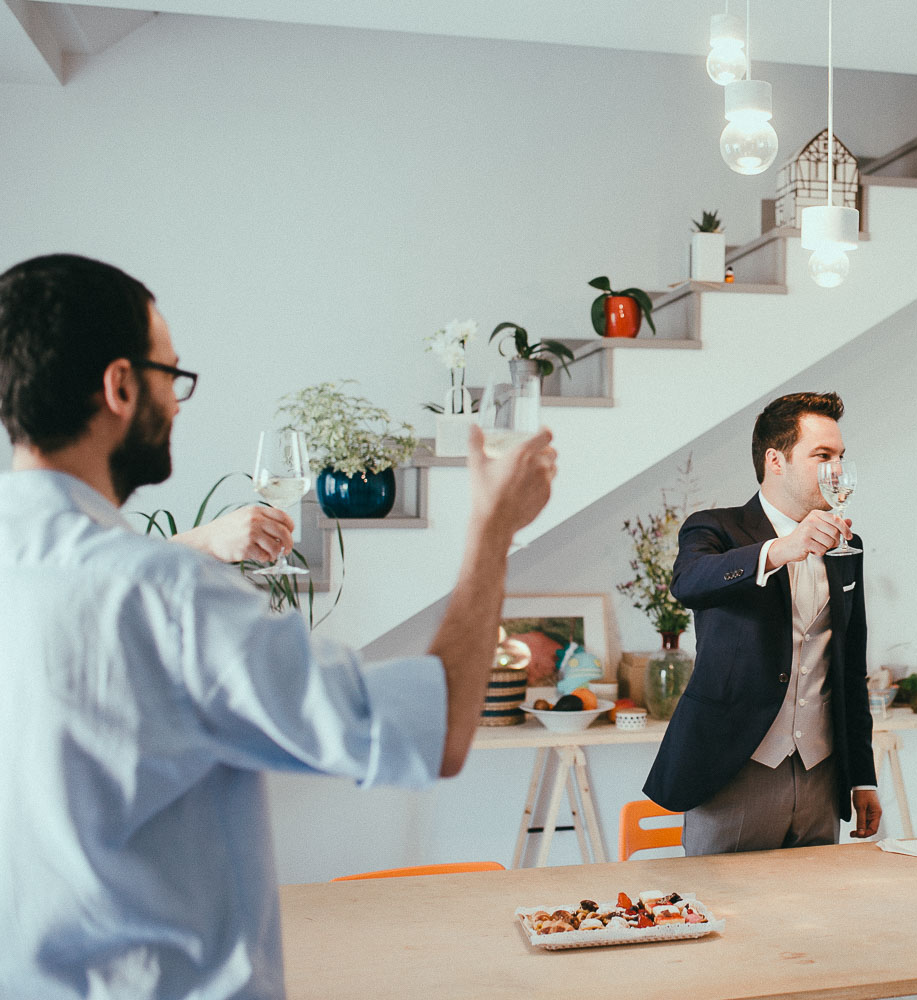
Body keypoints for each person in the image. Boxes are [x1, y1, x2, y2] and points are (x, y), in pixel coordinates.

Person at [0, 253, 557, 1000]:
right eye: (172, 375)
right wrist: (491, 529)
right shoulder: (170, 599)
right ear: (121, 386)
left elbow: (89, 584)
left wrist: (195, 543)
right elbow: (439, 729)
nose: (179, 400)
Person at [643, 391, 881, 853]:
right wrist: (782, 549)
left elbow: (851, 668)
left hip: (821, 772)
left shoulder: (847, 546)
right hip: (734, 770)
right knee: (725, 917)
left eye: (841, 457)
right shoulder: (714, 528)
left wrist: (862, 776)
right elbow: (689, 582)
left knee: (812, 919)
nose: (836, 469)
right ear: (776, 460)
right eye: (822, 455)